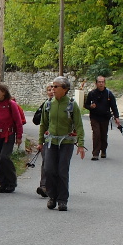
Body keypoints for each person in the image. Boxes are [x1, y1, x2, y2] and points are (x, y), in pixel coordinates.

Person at [38, 76, 86, 211]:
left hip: (66, 142)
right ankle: (52, 197)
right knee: (48, 169)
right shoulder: (48, 104)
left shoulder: (71, 105)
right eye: (52, 86)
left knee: (62, 171)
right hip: (50, 142)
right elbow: (43, 124)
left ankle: (62, 200)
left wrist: (81, 144)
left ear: (64, 89)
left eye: (56, 87)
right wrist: (40, 141)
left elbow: (79, 125)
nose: (52, 89)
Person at [84, 75, 122, 160]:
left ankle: (103, 150)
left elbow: (114, 106)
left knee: (103, 135)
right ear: (96, 83)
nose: (101, 84)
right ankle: (95, 153)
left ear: (104, 83)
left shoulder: (109, 94)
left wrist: (117, 117)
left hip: (105, 117)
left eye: (102, 82)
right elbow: (86, 105)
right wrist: (90, 107)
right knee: (96, 134)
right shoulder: (92, 93)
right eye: (99, 82)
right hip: (94, 117)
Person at [34, 83, 55, 198]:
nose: (51, 91)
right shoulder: (45, 105)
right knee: (46, 162)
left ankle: (54, 186)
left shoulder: (67, 104)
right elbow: (36, 121)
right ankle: (44, 186)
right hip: (47, 138)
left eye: (53, 89)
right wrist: (40, 142)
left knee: (56, 164)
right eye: (49, 90)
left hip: (60, 139)